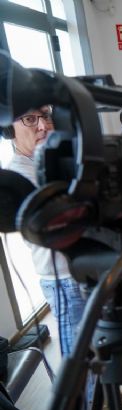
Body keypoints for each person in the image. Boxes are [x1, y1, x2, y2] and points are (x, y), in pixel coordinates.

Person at [4, 106, 85, 357]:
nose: (43, 126)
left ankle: (103, 393)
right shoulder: (18, 174)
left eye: (46, 116)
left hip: (82, 270)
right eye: (30, 119)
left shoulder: (50, 161)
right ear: (8, 128)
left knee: (94, 346)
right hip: (63, 280)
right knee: (79, 360)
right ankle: (87, 397)